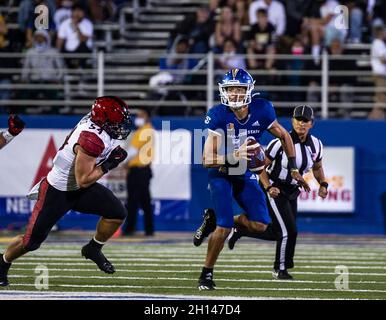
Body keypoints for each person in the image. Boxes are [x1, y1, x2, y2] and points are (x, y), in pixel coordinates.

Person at [194, 68, 310, 290]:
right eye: (230, 89)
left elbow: (285, 135)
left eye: (239, 89)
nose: (234, 94)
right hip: (221, 173)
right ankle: (206, 274)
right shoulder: (218, 114)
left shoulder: (262, 109)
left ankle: (215, 218)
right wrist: (234, 156)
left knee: (260, 224)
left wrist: (294, 168)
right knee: (224, 226)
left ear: (248, 90)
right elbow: (207, 159)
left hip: (245, 172)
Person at [0, 96, 132, 287]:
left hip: (77, 188)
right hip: (58, 191)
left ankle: (93, 248)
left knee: (117, 213)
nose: (120, 126)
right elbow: (84, 179)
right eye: (116, 122)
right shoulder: (91, 138)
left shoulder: (98, 124)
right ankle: (3, 262)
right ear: (103, 120)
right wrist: (109, 164)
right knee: (30, 243)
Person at [228, 105, 328, 280]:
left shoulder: (317, 144)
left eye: (305, 121)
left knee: (277, 232)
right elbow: (260, 167)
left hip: (292, 191)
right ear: (292, 121)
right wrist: (268, 187)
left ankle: (241, 230)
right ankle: (280, 269)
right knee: (289, 232)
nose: (301, 124)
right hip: (275, 188)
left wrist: (323, 184)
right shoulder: (279, 142)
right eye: (298, 119)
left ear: (312, 123)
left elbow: (318, 167)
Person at [123, 108, 155, 236]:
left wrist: (123, 162)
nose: (138, 117)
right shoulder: (148, 130)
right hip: (143, 171)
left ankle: (130, 228)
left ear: (147, 116)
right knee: (144, 201)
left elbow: (133, 151)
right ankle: (148, 229)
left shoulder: (144, 131)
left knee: (133, 201)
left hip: (139, 171)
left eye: (141, 115)